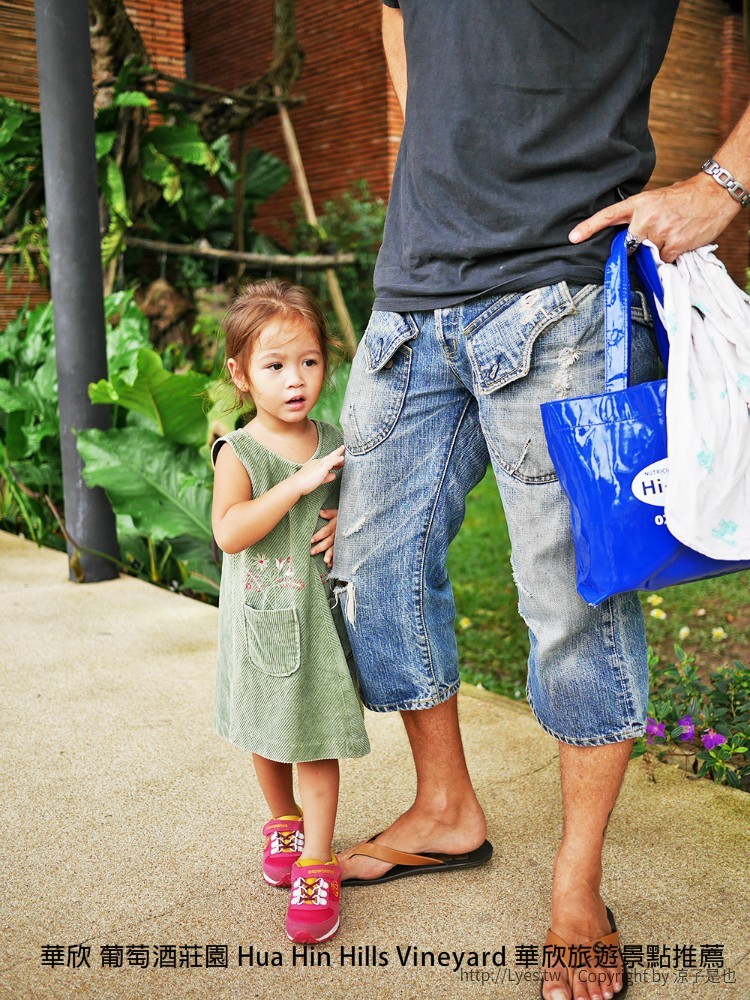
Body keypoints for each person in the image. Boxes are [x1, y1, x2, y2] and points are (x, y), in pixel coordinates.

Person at [332, 3, 750, 999]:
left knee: (572, 606)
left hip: (562, 295)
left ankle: (578, 885)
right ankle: (444, 807)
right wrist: (434, 158)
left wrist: (721, 184)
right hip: (412, 294)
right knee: (372, 572)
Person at [211, 279, 370, 945]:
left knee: (316, 737)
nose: (294, 380)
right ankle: (282, 817)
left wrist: (342, 522)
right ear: (241, 374)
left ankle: (316, 858)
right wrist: (298, 485)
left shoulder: (334, 439)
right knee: (265, 728)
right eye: (274, 366)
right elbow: (230, 531)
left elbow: (355, 509)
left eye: (307, 361)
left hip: (315, 620)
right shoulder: (240, 452)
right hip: (259, 620)